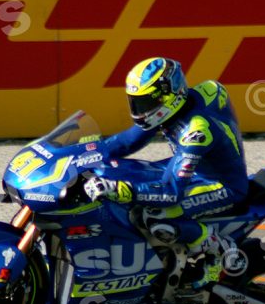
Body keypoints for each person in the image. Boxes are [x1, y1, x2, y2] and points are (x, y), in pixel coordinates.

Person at [84, 57, 249, 289]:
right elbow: (126, 142)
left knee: (156, 215)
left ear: (168, 96)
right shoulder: (173, 108)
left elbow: (171, 192)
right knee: (121, 171)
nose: (139, 110)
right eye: (136, 102)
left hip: (221, 184)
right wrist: (80, 153)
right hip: (193, 167)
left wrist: (122, 190)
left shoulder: (197, 131)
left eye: (145, 102)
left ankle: (219, 249)